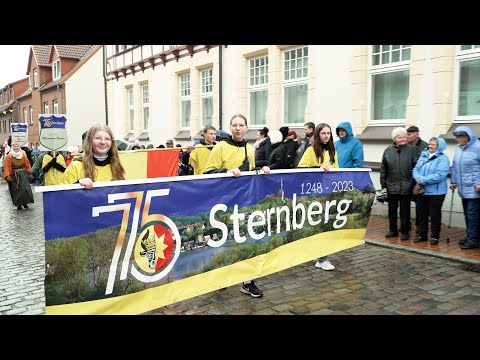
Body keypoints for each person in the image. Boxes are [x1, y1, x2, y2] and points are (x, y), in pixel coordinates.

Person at [204, 113, 270, 298]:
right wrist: (226, 172)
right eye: (234, 125)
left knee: (247, 240)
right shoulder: (220, 147)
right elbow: (208, 172)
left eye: (241, 125)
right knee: (224, 241)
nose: (238, 128)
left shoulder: (250, 148)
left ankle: (247, 282)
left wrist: (261, 170)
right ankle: (221, 278)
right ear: (230, 127)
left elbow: (249, 173)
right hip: (224, 202)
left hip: (244, 203)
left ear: (246, 128)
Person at [298, 123, 338, 271]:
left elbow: (336, 170)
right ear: (317, 134)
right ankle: (322, 259)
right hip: (315, 193)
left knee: (326, 224)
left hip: (329, 192)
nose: (326, 136)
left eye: (328, 133)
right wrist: (318, 170)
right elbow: (301, 169)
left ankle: (320, 256)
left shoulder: (333, 151)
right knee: (319, 225)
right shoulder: (310, 150)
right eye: (323, 133)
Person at [380, 127, 417, 240]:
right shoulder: (388, 150)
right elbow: (383, 169)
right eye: (399, 137)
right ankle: (393, 230)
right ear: (394, 139)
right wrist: (383, 185)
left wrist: (413, 182)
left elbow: (416, 166)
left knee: (405, 211)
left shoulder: (411, 150)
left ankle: (404, 232)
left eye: (404, 137)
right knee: (392, 210)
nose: (402, 139)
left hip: (406, 185)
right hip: (391, 185)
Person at [63, 123, 125, 189]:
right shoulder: (75, 166)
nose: (103, 142)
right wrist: (77, 185)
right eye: (98, 138)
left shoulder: (117, 165)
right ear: (89, 141)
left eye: (107, 139)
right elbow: (61, 194)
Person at [411, 137, 449, 245]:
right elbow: (415, 169)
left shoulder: (443, 159)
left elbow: (440, 175)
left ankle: (434, 236)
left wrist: (423, 180)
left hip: (436, 192)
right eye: (430, 144)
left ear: (439, 147)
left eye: (433, 145)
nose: (430, 146)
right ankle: (422, 234)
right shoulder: (424, 155)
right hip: (422, 191)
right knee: (421, 214)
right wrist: (417, 178)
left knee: (434, 215)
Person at [450, 126, 480, 250]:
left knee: (472, 214)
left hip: (475, 188)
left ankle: (472, 240)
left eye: (459, 137)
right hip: (463, 187)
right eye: (456, 137)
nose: (457, 139)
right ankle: (471, 236)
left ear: (467, 136)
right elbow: (455, 166)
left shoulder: (478, 147)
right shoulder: (458, 148)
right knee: (468, 214)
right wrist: (453, 180)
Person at [3, 141, 34, 210]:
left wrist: (29, 172)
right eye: (15, 146)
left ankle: (25, 203)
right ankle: (18, 204)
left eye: (17, 146)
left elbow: (27, 164)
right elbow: (7, 166)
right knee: (17, 190)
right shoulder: (9, 156)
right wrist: (8, 175)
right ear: (12, 147)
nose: (16, 148)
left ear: (19, 147)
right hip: (14, 175)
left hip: (23, 174)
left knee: (25, 189)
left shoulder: (23, 154)